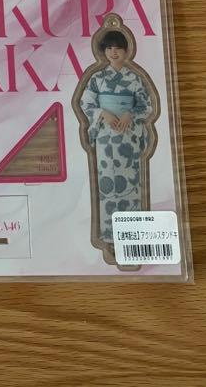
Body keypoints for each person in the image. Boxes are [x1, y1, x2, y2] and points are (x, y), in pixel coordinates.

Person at [77, 24, 156, 255]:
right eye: (109, 48)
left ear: (126, 51)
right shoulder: (97, 78)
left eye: (118, 48)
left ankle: (132, 234)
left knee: (131, 182)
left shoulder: (134, 79)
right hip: (105, 136)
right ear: (103, 51)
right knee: (107, 183)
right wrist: (103, 113)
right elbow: (85, 103)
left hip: (128, 135)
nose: (114, 52)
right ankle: (109, 235)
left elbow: (146, 106)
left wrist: (130, 114)